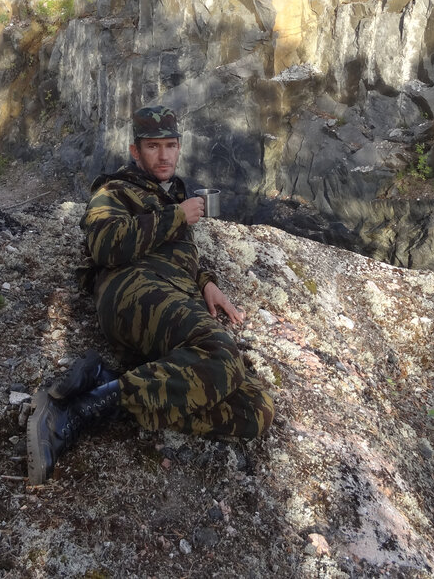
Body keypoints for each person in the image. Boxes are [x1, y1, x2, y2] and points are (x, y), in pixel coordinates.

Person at [27, 105, 274, 485]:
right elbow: (105, 244)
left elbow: (175, 254)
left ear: (179, 148)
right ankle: (76, 411)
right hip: (132, 288)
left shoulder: (169, 194)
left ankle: (105, 382)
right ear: (135, 151)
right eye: (153, 146)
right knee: (221, 353)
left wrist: (205, 281)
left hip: (174, 292)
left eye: (170, 145)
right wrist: (177, 216)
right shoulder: (114, 190)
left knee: (255, 408)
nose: (163, 155)